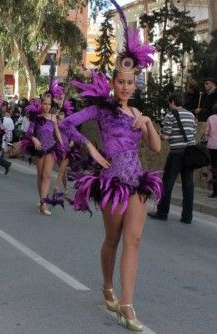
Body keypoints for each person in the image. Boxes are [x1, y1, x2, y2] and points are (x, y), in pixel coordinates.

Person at [60, 18, 161, 330]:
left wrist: (146, 121)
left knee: (135, 238)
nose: (126, 87)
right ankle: (107, 286)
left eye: (131, 82)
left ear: (135, 84)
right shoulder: (102, 110)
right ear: (113, 82)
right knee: (113, 239)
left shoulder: (136, 114)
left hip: (137, 181)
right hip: (112, 182)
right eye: (121, 81)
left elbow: (155, 148)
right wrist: (90, 148)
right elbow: (67, 124)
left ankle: (127, 305)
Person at [148, 92, 196, 224]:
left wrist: (158, 133)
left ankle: (162, 212)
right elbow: (193, 132)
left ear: (173, 102)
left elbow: (165, 136)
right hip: (190, 153)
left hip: (176, 153)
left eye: (169, 103)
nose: (169, 105)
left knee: (167, 183)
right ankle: (187, 217)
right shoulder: (191, 115)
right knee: (188, 184)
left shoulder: (170, 115)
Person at [21, 95, 63, 215]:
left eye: (49, 104)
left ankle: (43, 204)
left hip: (51, 148)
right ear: (41, 104)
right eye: (45, 104)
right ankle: (42, 201)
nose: (47, 106)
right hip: (39, 149)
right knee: (40, 175)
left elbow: (57, 132)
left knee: (47, 175)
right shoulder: (36, 117)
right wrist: (34, 139)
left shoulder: (53, 117)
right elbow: (28, 133)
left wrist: (62, 145)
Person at [205, 104, 217, 197]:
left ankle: (215, 191)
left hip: (213, 145)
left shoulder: (211, 118)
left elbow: (207, 132)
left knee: (214, 168)